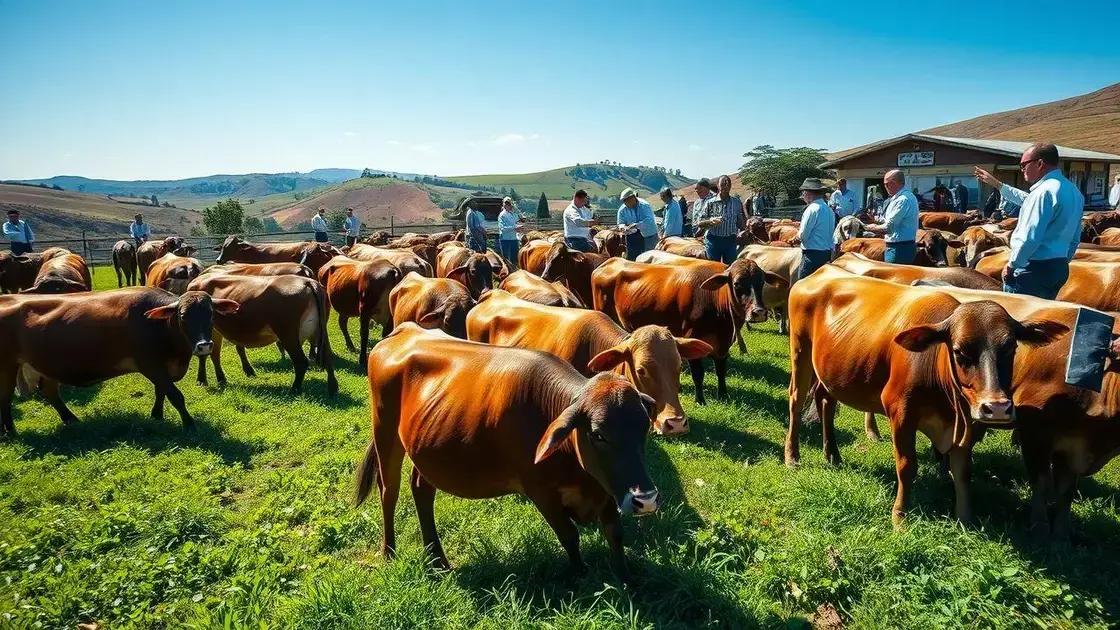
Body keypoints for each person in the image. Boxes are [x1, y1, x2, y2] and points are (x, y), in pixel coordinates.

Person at [974, 143, 1084, 299]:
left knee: (1019, 318)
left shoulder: (1042, 193)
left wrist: (1013, 265)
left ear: (1039, 163)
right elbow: (1075, 238)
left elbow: (1030, 238)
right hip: (1058, 267)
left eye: (1024, 164)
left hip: (1033, 269)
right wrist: (998, 185)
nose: (1022, 169)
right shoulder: (1073, 192)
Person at [866, 169, 919, 263]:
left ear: (893, 183)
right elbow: (891, 221)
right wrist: (877, 220)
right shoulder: (903, 197)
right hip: (902, 247)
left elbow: (889, 227)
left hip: (899, 249)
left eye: (886, 184)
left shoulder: (902, 200)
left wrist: (871, 228)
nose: (885, 186)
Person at [693, 176, 745, 263]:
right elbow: (699, 223)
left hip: (730, 242)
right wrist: (710, 222)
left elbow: (739, 222)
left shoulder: (736, 203)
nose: (726, 186)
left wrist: (743, 231)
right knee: (713, 268)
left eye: (728, 184)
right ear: (718, 185)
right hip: (714, 241)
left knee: (730, 268)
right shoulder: (710, 203)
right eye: (723, 184)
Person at [796, 178, 836, 281]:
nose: (803, 195)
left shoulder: (812, 209)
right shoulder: (829, 210)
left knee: (803, 286)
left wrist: (797, 236)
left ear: (808, 193)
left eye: (803, 192)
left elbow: (803, 235)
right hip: (826, 255)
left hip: (812, 256)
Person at [617, 188, 658, 260]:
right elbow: (620, 223)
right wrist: (623, 227)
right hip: (632, 236)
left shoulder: (644, 205)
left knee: (649, 257)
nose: (625, 203)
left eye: (627, 200)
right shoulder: (622, 210)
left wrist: (636, 225)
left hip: (649, 235)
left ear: (633, 198)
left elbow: (649, 220)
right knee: (632, 257)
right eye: (624, 201)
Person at [496, 196, 522, 266]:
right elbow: (502, 228)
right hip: (505, 239)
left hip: (514, 238)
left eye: (510, 204)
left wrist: (519, 227)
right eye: (508, 204)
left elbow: (517, 222)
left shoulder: (513, 214)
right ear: (505, 205)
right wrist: (514, 228)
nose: (510, 206)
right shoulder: (502, 215)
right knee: (506, 260)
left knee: (515, 259)